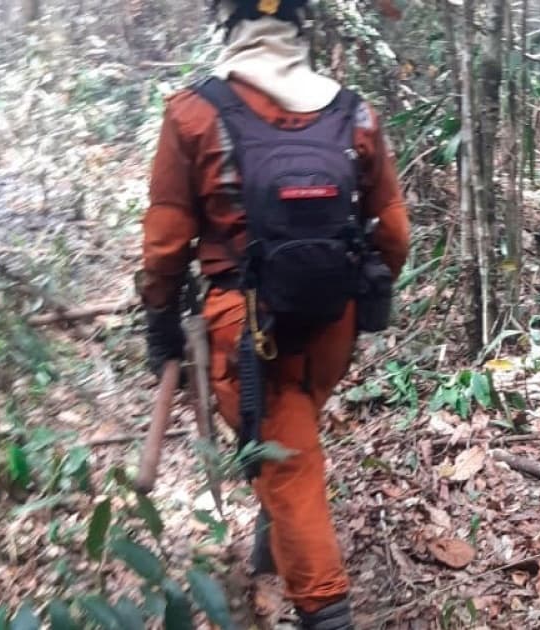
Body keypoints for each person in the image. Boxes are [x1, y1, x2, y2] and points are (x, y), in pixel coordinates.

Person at [136, 1, 410, 627]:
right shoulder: (353, 111)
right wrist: (369, 292)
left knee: (290, 460)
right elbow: (393, 229)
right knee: (293, 422)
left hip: (247, 324)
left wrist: (159, 319)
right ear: (300, 25)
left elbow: (166, 241)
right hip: (332, 317)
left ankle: (326, 608)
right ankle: (272, 532)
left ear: (228, 24)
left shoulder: (194, 112)